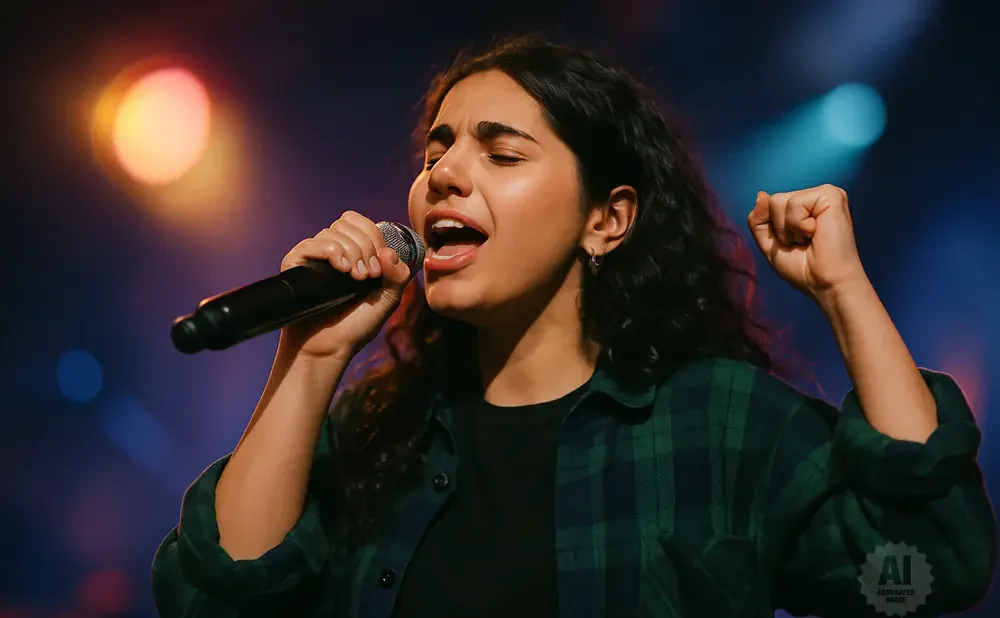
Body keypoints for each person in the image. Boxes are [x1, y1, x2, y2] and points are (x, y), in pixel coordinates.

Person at [150, 36, 996, 618]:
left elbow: (924, 566)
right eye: (435, 151)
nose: (444, 174)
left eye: (501, 153)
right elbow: (217, 598)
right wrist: (312, 353)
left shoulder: (712, 422)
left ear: (607, 220)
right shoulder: (380, 434)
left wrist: (846, 291)